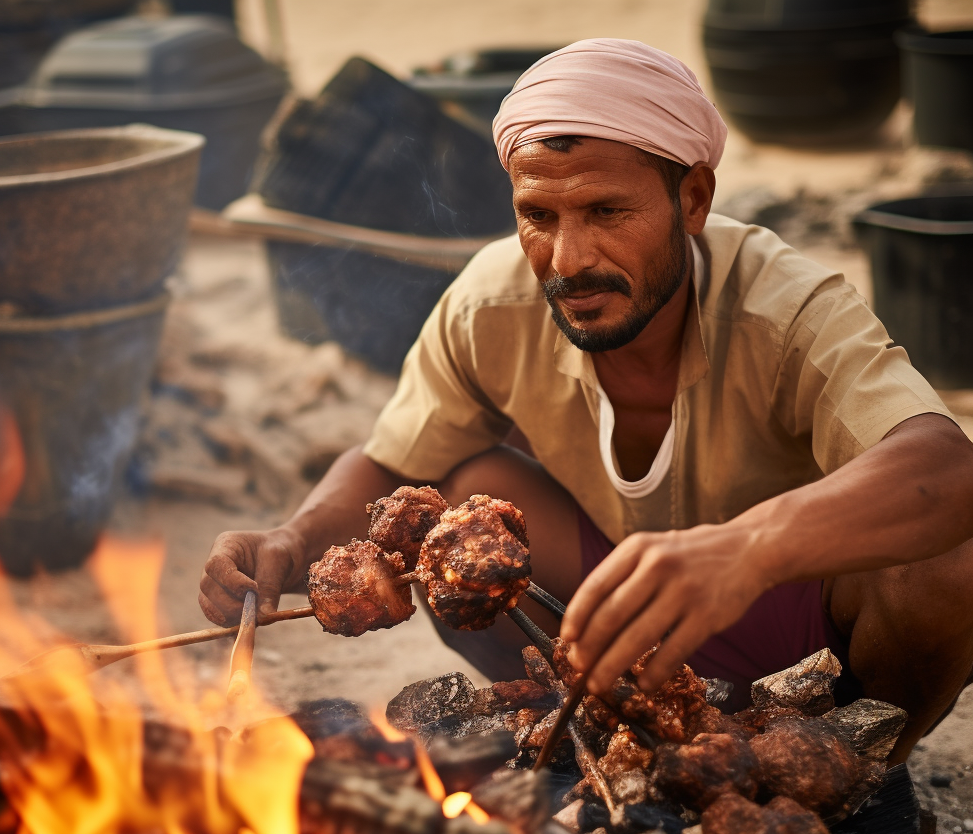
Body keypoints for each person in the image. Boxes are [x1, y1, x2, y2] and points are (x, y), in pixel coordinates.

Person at [199, 39, 973, 761]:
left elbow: (944, 469)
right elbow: (387, 467)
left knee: (952, 562)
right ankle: (582, 741)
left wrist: (746, 550)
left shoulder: (787, 306)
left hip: (791, 637)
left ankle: (842, 773)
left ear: (693, 199)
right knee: (460, 505)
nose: (568, 260)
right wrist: (292, 543)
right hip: (592, 640)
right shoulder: (488, 306)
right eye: (539, 216)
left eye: (607, 212)